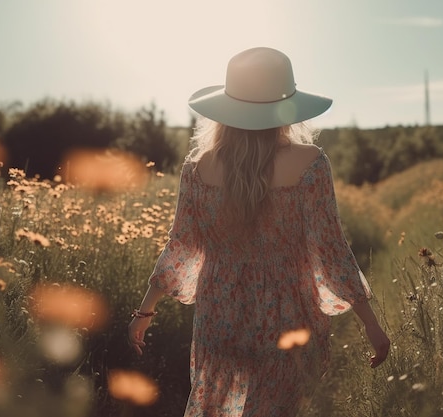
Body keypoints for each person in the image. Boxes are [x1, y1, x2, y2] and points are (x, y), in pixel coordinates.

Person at [128, 47, 390, 417]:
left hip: (220, 314)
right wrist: (371, 324)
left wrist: (144, 312)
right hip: (289, 315)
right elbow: (330, 250)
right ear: (286, 104)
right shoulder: (310, 163)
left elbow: (181, 247)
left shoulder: (198, 167)